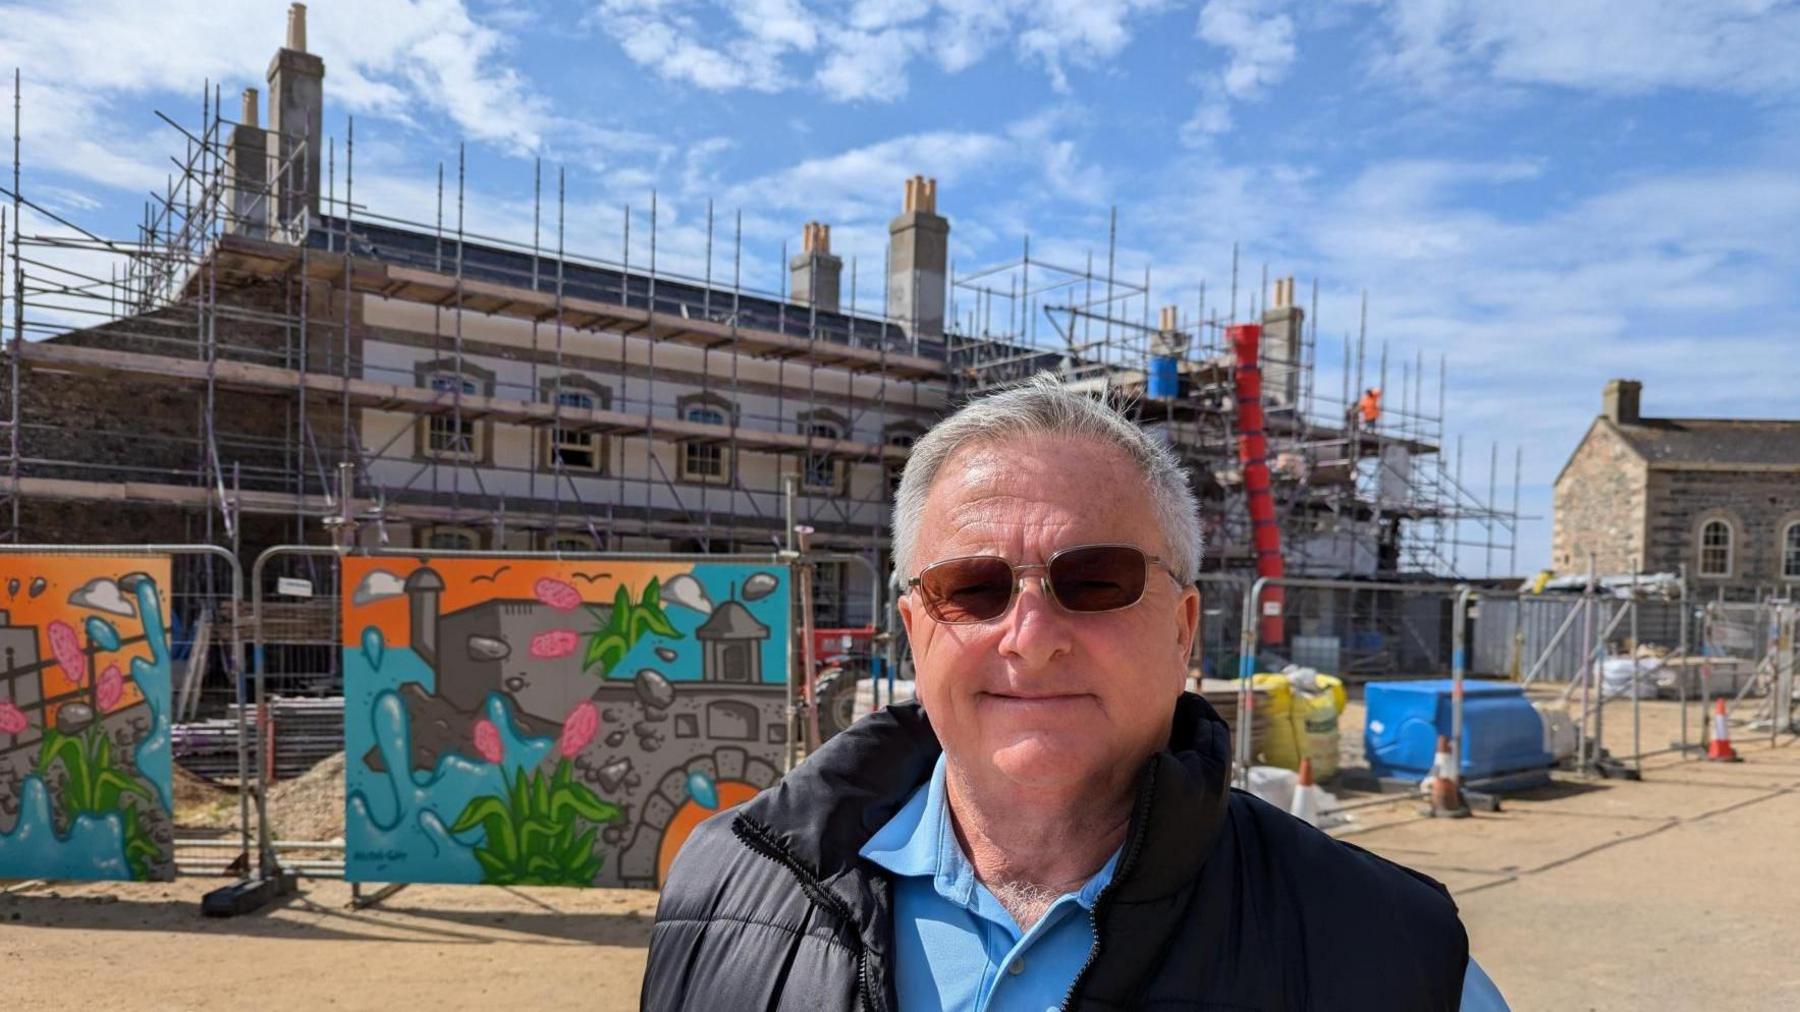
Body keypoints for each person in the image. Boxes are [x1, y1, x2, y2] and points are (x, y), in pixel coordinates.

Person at [643, 376, 1508, 1011]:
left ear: (1183, 628)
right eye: (971, 588)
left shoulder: (1393, 954)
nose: (1029, 636)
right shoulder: (721, 885)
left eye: (1096, 579)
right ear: (913, 628)